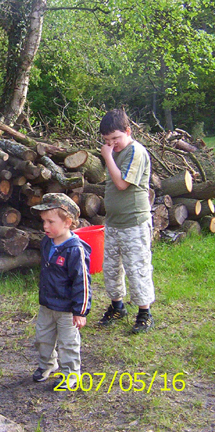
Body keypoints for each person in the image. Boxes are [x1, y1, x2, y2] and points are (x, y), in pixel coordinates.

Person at [98, 109, 155, 333]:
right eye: (107, 141)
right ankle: (117, 306)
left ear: (128, 131)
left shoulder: (136, 152)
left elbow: (122, 184)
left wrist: (107, 157)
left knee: (137, 268)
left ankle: (144, 313)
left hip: (134, 222)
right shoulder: (115, 153)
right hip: (114, 222)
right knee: (111, 269)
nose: (112, 144)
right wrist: (110, 156)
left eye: (115, 138)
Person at [30, 193, 91, 389]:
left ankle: (70, 374)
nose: (45, 226)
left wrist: (80, 311)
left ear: (67, 222)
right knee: (43, 338)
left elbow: (83, 283)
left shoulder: (75, 250)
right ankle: (47, 365)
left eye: (50, 221)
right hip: (47, 304)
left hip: (67, 309)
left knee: (68, 343)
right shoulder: (47, 242)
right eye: (43, 221)